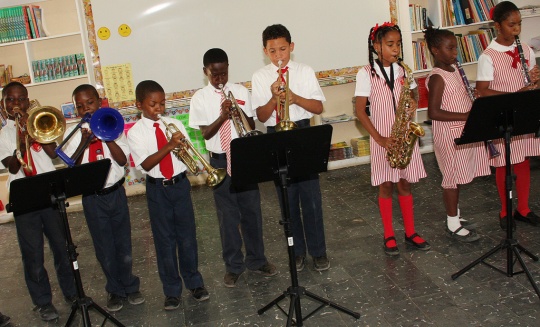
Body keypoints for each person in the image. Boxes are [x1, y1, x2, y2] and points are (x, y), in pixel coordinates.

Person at [189, 48, 277, 287]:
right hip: (218, 159)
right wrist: (222, 116)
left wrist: (236, 110)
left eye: (224, 73)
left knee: (252, 212)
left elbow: (250, 123)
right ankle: (233, 266)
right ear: (205, 72)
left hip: (243, 156)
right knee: (228, 217)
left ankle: (257, 260)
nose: (220, 79)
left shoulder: (239, 91)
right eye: (215, 75)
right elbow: (205, 133)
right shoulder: (200, 98)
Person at [251, 24, 329, 272]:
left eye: (283, 49)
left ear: (291, 47)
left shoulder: (304, 71)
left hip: (303, 131)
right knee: (286, 197)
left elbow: (318, 108)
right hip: (276, 135)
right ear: (265, 51)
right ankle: (296, 252)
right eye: (272, 51)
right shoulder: (260, 77)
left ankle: (319, 252)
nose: (279, 56)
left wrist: (294, 98)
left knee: (311, 196)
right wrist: (274, 99)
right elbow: (262, 118)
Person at [61, 84, 144, 312]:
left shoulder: (112, 124)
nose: (85, 109)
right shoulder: (76, 133)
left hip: (115, 192)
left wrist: (105, 136)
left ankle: (130, 284)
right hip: (93, 198)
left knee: (123, 242)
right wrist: (84, 142)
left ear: (99, 102)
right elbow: (73, 167)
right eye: (80, 106)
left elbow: (121, 160)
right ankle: (114, 289)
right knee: (104, 246)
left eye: (89, 103)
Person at [127, 80, 209, 310]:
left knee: (187, 236)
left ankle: (194, 282)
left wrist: (182, 147)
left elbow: (188, 152)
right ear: (139, 105)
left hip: (180, 185)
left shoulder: (173, 124)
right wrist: (170, 146)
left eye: (162, 104)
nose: (159, 109)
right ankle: (172, 290)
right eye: (153, 104)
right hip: (157, 189)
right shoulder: (135, 133)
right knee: (164, 241)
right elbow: (145, 162)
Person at [0, 82, 76, 321]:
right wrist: (19, 137)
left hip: (49, 191)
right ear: (3, 104)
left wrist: (33, 131)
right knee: (32, 253)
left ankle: (71, 293)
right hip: (24, 196)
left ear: (28, 100)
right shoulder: (3, 134)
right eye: (10, 100)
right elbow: (12, 166)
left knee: (62, 247)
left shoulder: (39, 122)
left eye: (21, 99)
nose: (16, 105)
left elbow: (54, 154)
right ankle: (42, 302)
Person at [354, 22, 430, 256]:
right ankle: (389, 233)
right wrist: (379, 138)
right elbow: (359, 110)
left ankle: (410, 231)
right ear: (376, 46)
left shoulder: (404, 71)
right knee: (386, 185)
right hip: (382, 138)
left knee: (405, 183)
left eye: (398, 44)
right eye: (390, 44)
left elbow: (415, 93)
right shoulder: (366, 73)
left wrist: (414, 102)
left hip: (403, 136)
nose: (395, 49)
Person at [476, 1, 540, 230]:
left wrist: (535, 82)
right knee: (504, 162)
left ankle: (523, 208)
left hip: (522, 114)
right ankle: (505, 211)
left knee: (523, 159)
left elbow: (531, 83)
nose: (517, 29)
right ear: (497, 26)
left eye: (519, 24)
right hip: (501, 115)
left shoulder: (525, 49)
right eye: (511, 25)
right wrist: (515, 94)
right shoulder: (488, 56)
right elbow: (482, 90)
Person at [424, 27, 490, 242]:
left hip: (461, 132)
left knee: (458, 174)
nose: (455, 52)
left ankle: (456, 216)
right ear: (435, 50)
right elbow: (433, 112)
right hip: (448, 136)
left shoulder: (454, 70)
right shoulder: (437, 77)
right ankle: (452, 223)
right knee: (451, 179)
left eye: (456, 47)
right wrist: (466, 116)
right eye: (450, 48)